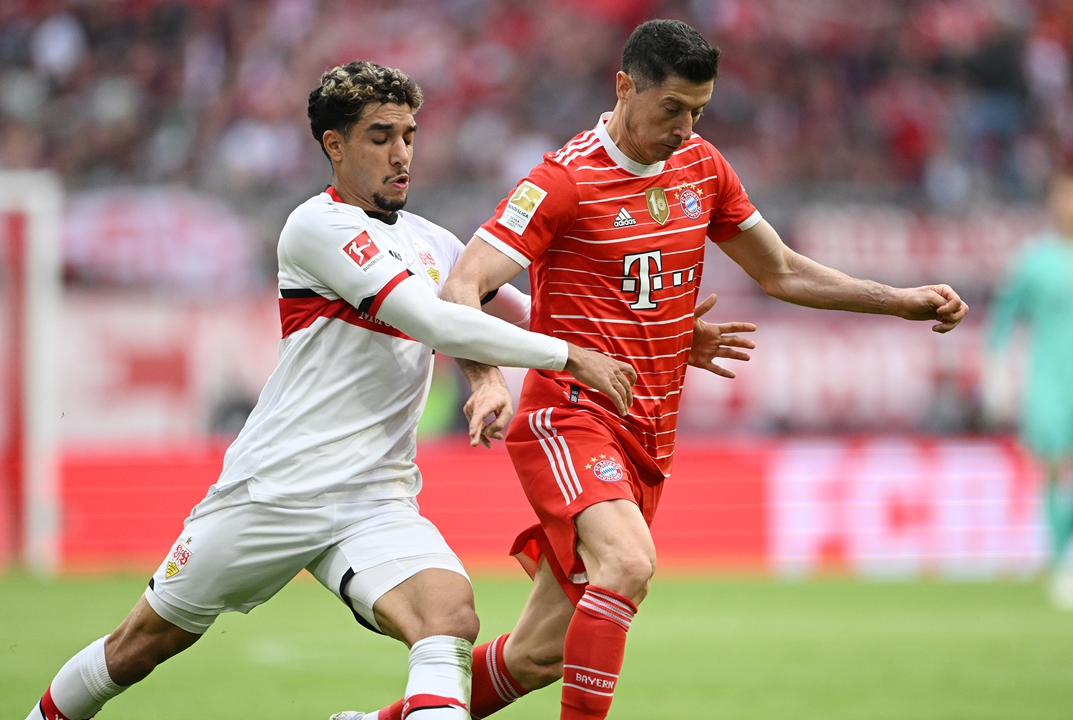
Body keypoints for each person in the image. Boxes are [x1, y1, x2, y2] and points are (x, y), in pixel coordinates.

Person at [343, 18, 968, 720]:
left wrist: (901, 301)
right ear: (623, 86)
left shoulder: (703, 166)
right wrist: (486, 379)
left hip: (648, 435)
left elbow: (783, 271)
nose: (685, 127)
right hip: (569, 415)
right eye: (672, 108)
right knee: (628, 565)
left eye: (699, 110)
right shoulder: (564, 179)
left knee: (540, 654)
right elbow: (463, 284)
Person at [22, 60, 640, 720]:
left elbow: (522, 310)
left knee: (449, 616)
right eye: (380, 136)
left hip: (374, 494)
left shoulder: (432, 239)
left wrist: (666, 334)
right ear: (334, 145)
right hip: (275, 490)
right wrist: (567, 357)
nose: (401, 153)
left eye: (408, 134)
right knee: (137, 647)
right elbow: (432, 319)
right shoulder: (317, 228)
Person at [987, 169, 1073, 610]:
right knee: (1055, 468)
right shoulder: (1034, 259)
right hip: (1051, 382)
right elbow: (1004, 316)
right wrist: (997, 370)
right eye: (1063, 197)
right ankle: (1061, 563)